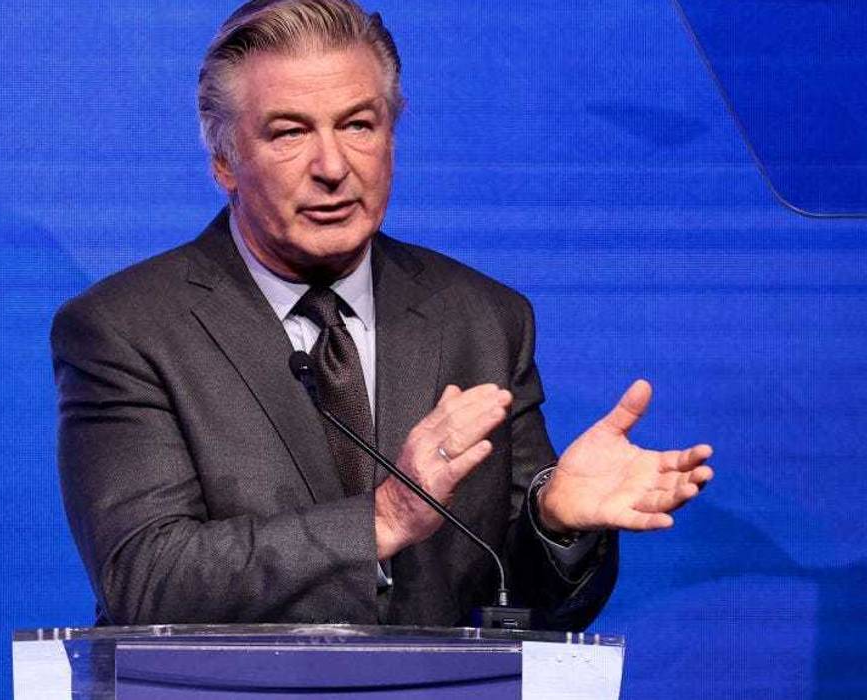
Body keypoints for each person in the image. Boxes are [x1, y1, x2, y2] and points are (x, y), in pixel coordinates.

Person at [51, 0, 713, 630]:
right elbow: (146, 578)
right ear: (224, 160)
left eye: (357, 125)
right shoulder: (127, 329)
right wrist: (384, 518)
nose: (332, 167)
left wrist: (555, 522)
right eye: (290, 132)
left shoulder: (484, 319)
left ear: (392, 135)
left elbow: (520, 604)